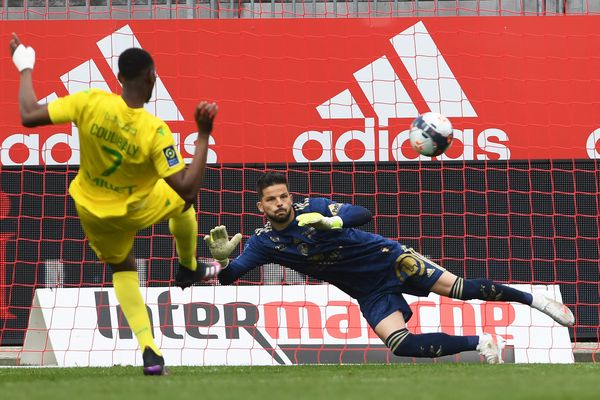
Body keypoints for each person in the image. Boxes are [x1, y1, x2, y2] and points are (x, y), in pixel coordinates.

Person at [10, 33, 221, 375]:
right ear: (152, 77)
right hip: (139, 207)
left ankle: (150, 352)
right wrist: (203, 134)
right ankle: (188, 266)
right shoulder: (155, 131)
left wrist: (25, 67)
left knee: (124, 268)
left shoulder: (90, 101)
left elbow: (29, 114)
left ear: (120, 78)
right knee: (184, 205)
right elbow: (186, 189)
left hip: (93, 212)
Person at [204, 172, 575, 364]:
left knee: (461, 289)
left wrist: (331, 223)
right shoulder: (263, 243)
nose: (281, 203)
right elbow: (230, 277)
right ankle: (480, 343)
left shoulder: (313, 207)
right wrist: (223, 260)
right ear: (261, 208)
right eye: (272, 200)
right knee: (400, 345)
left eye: (284, 195)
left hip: (389, 258)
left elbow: (361, 213)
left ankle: (536, 301)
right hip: (368, 290)